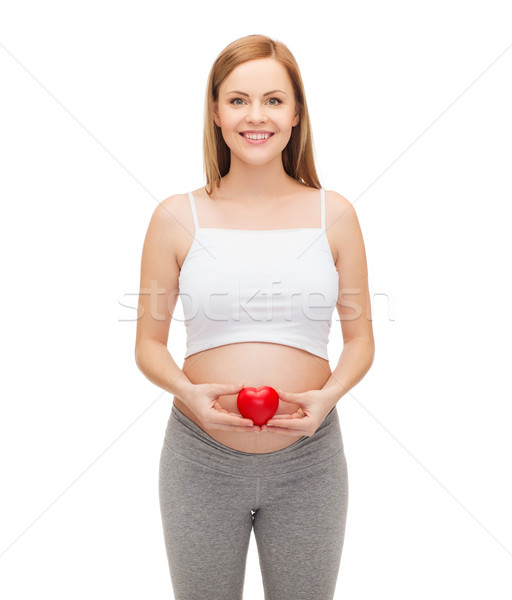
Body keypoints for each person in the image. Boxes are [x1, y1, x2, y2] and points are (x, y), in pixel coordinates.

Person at [135, 34, 375, 600]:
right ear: (216, 113)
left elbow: (361, 340)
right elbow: (148, 344)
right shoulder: (176, 217)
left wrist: (328, 397)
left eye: (273, 99)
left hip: (310, 463)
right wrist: (186, 392)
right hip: (199, 458)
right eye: (238, 100)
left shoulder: (334, 214)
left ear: (296, 115)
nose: (255, 115)